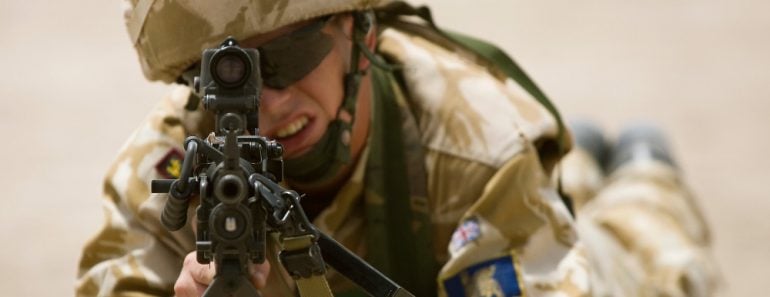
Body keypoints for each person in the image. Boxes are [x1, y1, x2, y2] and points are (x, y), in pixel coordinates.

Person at [77, 1, 718, 296]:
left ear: (360, 30)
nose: (267, 104)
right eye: (223, 75)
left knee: (651, 266)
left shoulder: (479, 145)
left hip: (506, 226)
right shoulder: (161, 172)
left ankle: (639, 173)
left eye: (290, 57)